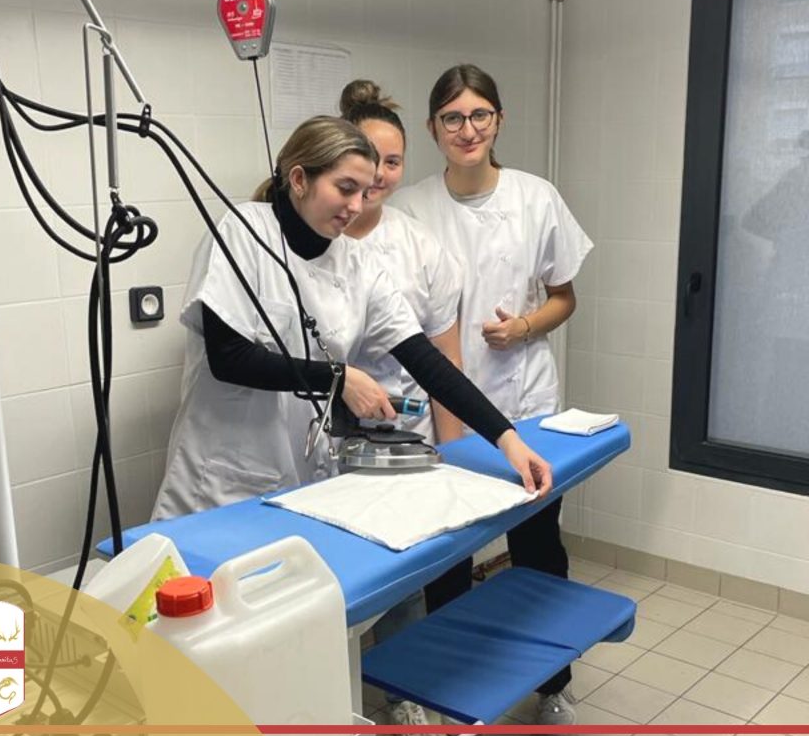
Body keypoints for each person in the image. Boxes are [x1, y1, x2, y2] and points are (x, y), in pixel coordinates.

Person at [153, 114, 552, 529]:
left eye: (363, 192)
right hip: (222, 482)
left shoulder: (357, 263)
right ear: (299, 179)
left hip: (300, 479)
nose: (357, 206)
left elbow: (426, 361)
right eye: (345, 189)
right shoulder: (242, 232)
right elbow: (228, 357)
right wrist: (339, 378)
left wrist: (507, 439)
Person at [393, 63, 592, 736]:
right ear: (432, 128)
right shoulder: (411, 207)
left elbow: (565, 296)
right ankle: (447, 693)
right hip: (441, 412)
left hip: (525, 401)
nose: (467, 129)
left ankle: (554, 688)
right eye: (452, 118)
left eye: (480, 115)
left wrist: (525, 327)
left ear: (499, 121)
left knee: (537, 548)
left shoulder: (537, 198)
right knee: (447, 557)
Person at [339, 80, 463, 736]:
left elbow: (444, 361)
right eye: (367, 159)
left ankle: (405, 695)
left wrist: (457, 451)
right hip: (315, 434)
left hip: (401, 435)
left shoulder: (419, 248)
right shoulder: (311, 237)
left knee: (403, 572)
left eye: (392, 162)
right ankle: (328, 695)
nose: (380, 175)